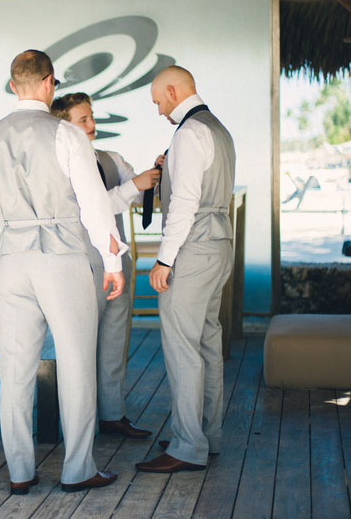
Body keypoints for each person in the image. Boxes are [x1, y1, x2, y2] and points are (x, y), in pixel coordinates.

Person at [0, 49, 125, 495]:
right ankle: (78, 469)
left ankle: (19, 471)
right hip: (63, 259)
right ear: (50, 82)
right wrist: (112, 263)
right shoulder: (67, 136)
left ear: (13, 85)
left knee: (15, 371)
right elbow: (94, 206)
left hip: (12, 262)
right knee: (76, 365)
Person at [135, 66, 235, 474]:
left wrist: (163, 259)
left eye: (159, 101)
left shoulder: (190, 133)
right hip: (219, 244)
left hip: (192, 250)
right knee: (207, 342)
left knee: (181, 346)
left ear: (173, 92)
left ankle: (187, 445)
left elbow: (185, 203)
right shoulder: (216, 128)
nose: (159, 110)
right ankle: (205, 435)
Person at [50, 93, 160, 438]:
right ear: (64, 126)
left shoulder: (111, 158)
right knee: (80, 344)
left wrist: (159, 175)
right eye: (83, 120)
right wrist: (133, 187)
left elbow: (144, 194)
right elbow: (92, 208)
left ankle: (113, 414)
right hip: (78, 264)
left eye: (91, 117)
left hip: (118, 262)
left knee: (115, 339)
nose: (92, 125)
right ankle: (77, 421)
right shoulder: (58, 165)